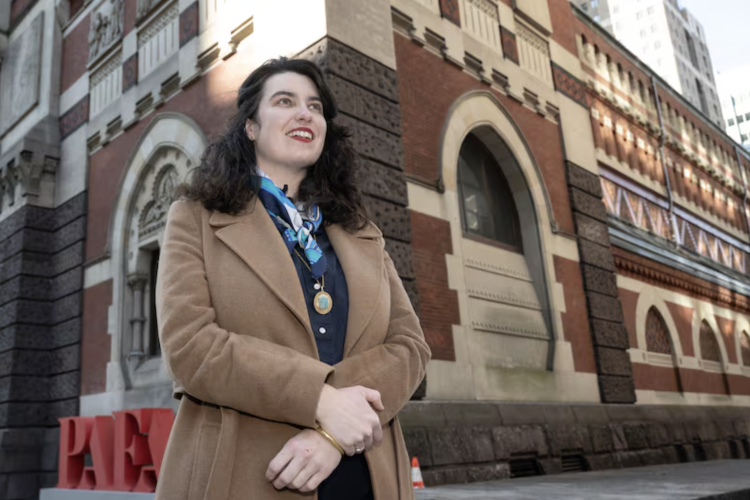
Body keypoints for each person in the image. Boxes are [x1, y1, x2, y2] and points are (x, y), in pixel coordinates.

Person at [154, 57, 431, 500]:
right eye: (285, 101)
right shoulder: (195, 218)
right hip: (247, 475)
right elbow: (191, 347)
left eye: (315, 106)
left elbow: (410, 347)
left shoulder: (361, 231)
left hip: (366, 476)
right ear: (250, 126)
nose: (305, 113)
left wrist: (332, 437)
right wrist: (321, 401)